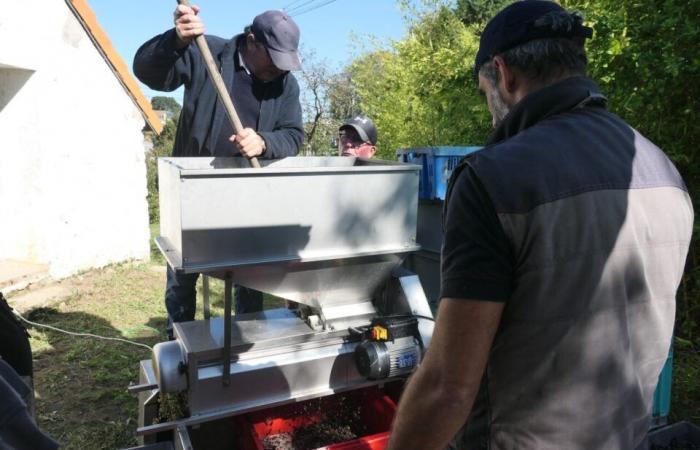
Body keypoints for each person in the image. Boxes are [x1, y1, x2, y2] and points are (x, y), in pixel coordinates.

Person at [387, 2, 693, 449]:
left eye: (482, 92)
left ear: (503, 74)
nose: (489, 110)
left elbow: (446, 389)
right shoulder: (662, 169)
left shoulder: (492, 179)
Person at [134, 6, 304, 338]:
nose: (278, 69)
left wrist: (264, 142)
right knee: (182, 276)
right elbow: (148, 72)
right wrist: (176, 41)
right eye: (273, 59)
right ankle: (180, 347)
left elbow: (294, 135)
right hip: (193, 190)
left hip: (246, 198)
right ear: (251, 41)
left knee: (249, 280)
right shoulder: (206, 52)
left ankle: (244, 344)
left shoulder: (285, 84)